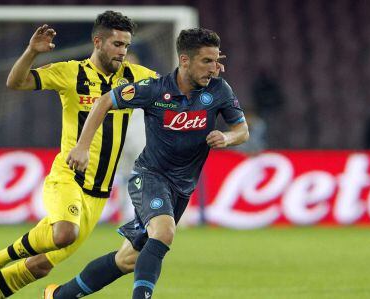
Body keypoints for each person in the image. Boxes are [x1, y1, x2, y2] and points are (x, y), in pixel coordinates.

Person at [0, 11, 158, 299]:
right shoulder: (70, 72)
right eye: (117, 44)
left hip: (98, 193)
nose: (123, 52)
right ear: (98, 42)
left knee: (39, 266)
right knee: (63, 234)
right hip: (69, 178)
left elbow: (174, 87)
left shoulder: (136, 76)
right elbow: (16, 82)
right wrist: (31, 52)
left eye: (126, 46)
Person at [45, 28, 249, 299]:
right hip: (150, 177)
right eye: (207, 61)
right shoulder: (155, 89)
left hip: (182, 188)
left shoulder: (219, 90)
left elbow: (242, 130)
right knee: (164, 232)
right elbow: (105, 100)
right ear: (185, 61)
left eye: (216, 61)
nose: (215, 69)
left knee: (127, 259)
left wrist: (227, 136)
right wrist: (82, 145)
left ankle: (59, 295)